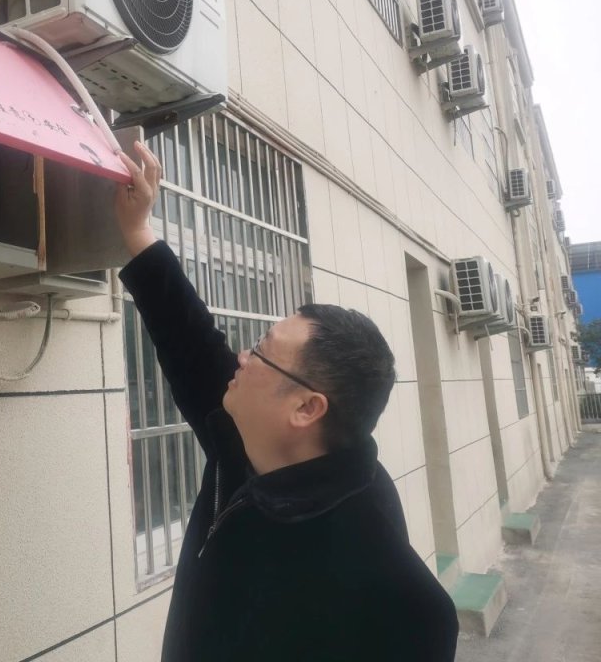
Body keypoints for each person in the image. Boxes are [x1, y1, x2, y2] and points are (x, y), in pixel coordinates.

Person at [114, 141, 459, 661]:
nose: (241, 357)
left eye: (261, 352)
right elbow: (191, 344)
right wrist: (139, 230)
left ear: (306, 408)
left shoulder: (387, 582)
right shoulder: (245, 445)